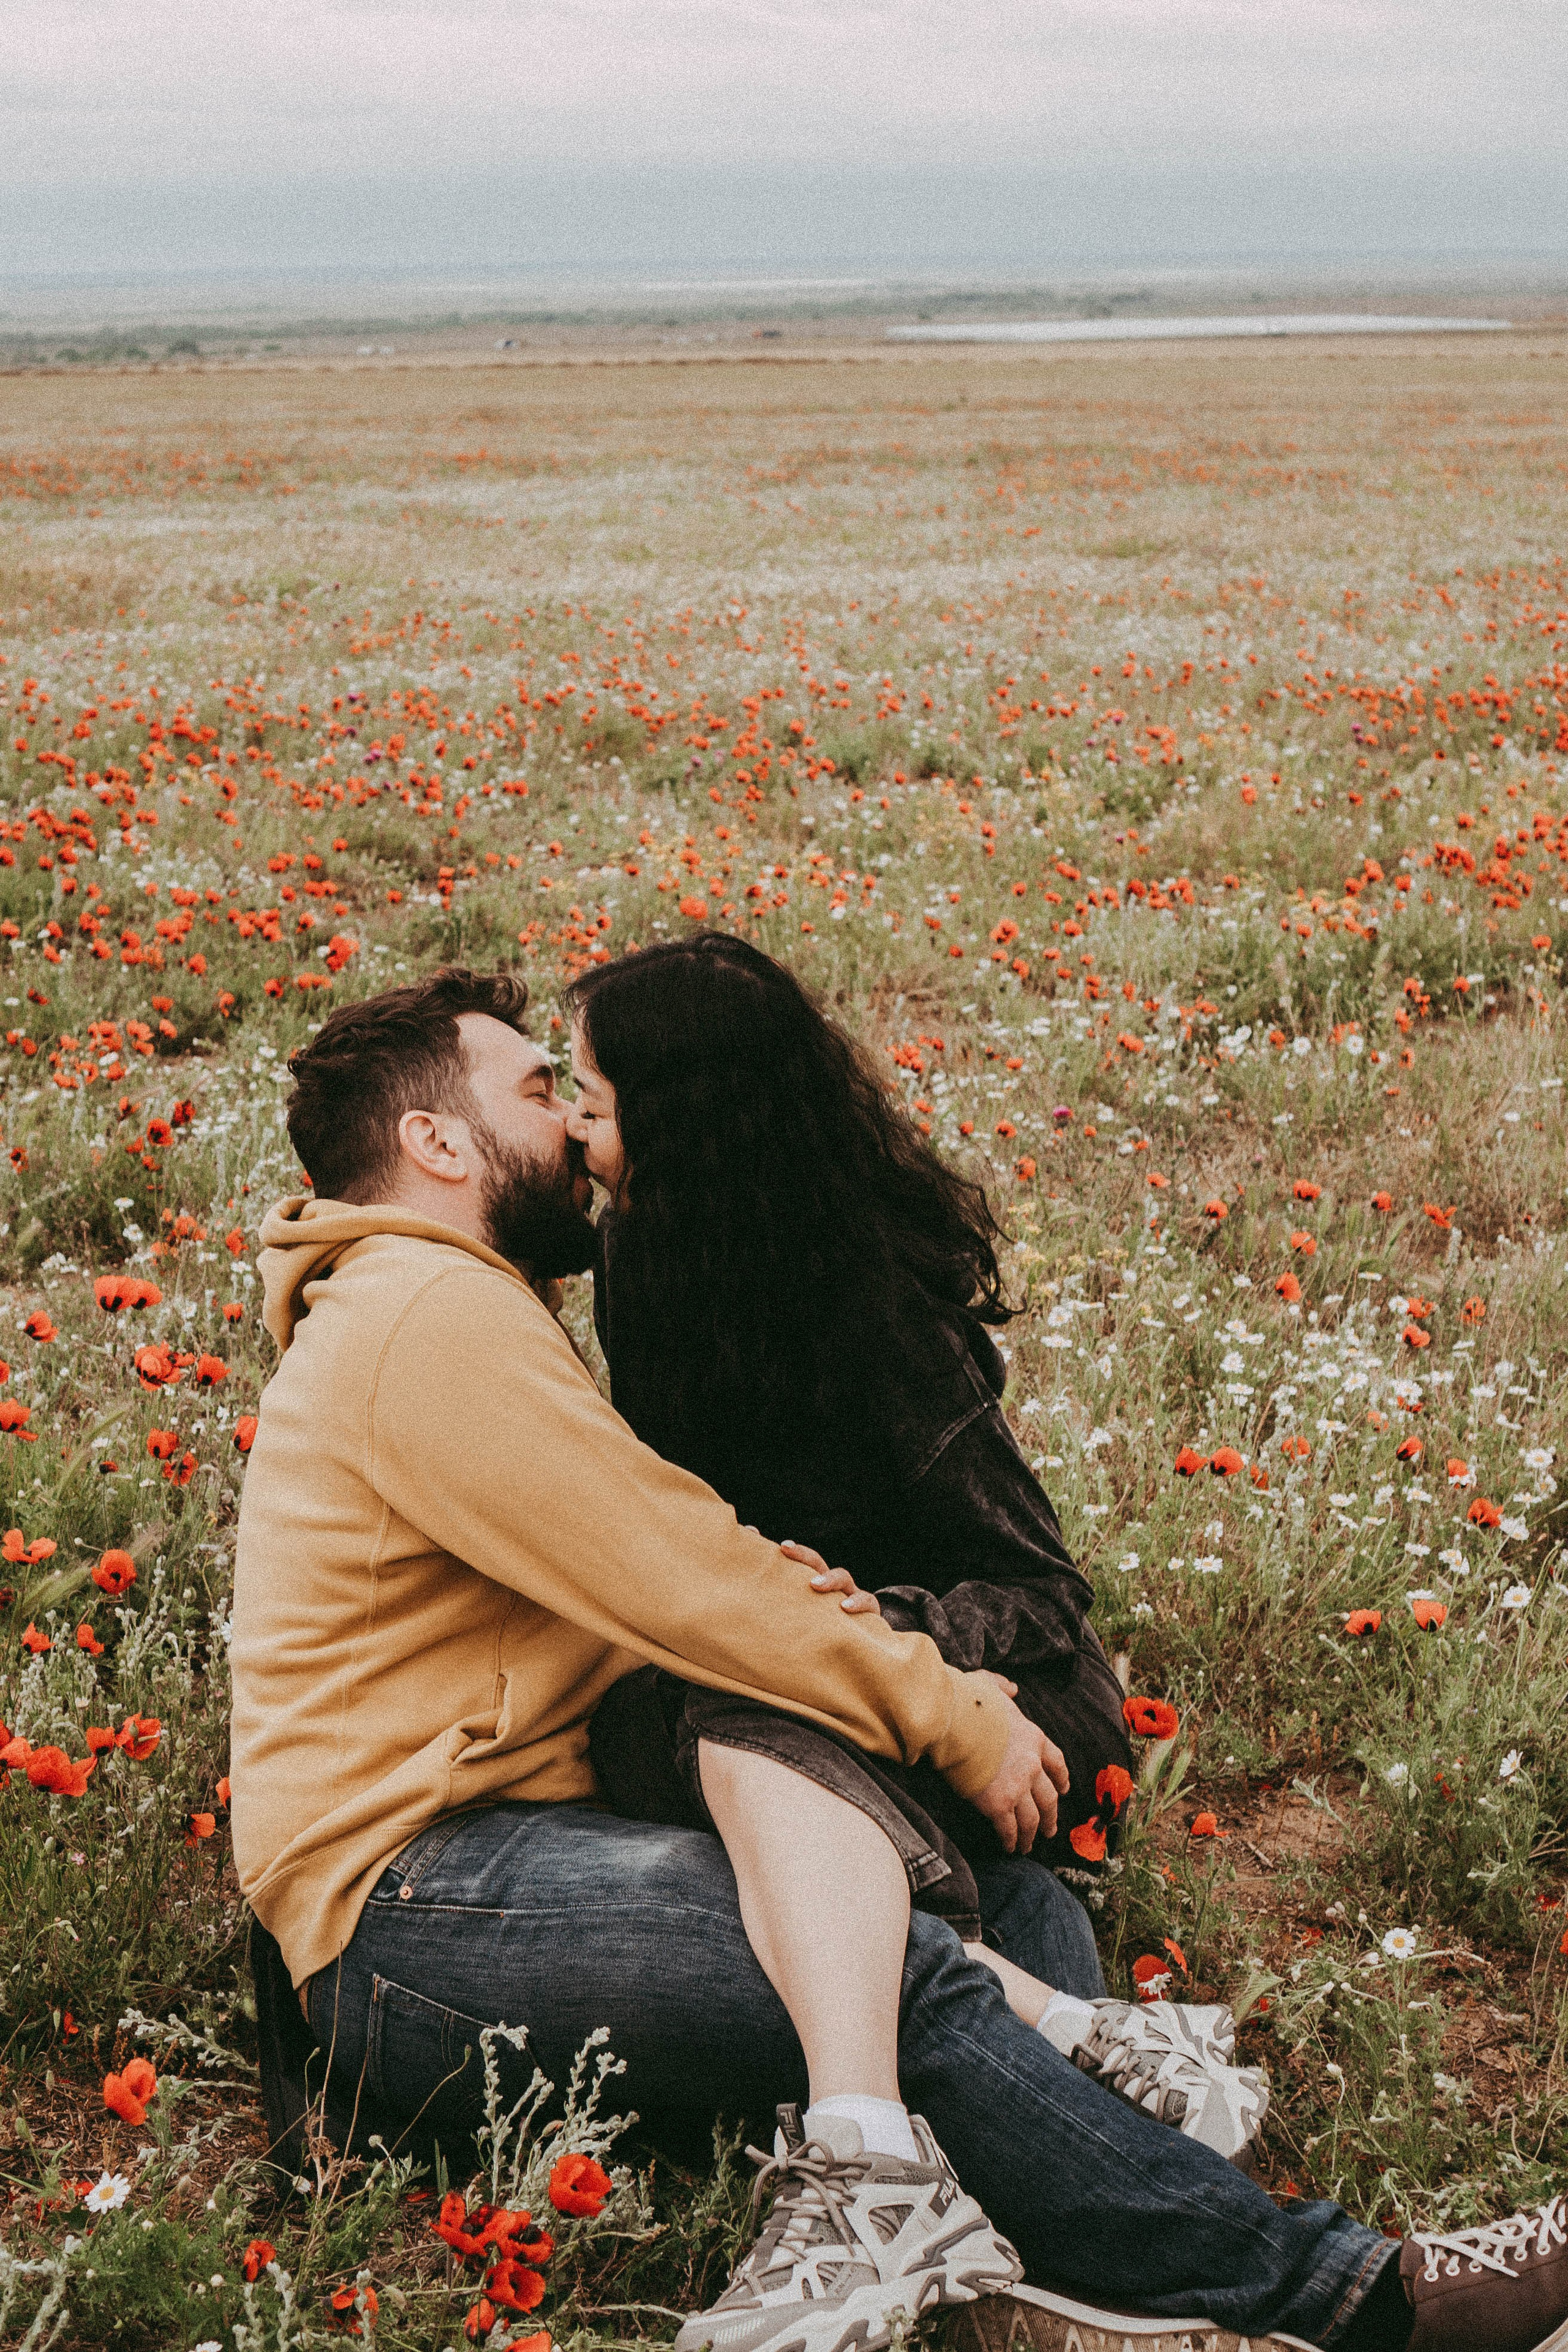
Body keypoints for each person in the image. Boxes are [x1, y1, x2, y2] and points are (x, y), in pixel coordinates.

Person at [232, 967, 1567, 2352]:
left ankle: (1048, 2278)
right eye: (535, 1090)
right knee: (886, 1962)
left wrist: (825, 1609)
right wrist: (949, 1713)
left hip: (516, 1850)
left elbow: (673, 1559)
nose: (570, 1125)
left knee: (1002, 1903)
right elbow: (683, 1577)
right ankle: (1359, 2304)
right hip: (407, 1903)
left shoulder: (448, 1307)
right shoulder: (420, 1318)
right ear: (438, 1143)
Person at [559, 932, 1265, 2162]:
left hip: (998, 1689)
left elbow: (1045, 1591)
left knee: (718, 1726)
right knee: (638, 1725)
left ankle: (896, 2123)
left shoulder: (866, 1294)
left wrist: (885, 1626)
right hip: (800, 1664)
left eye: (594, 1101)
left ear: (684, 1126)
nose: (572, 1129)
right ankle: (1056, 2038)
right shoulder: (642, 1255)